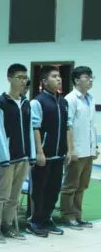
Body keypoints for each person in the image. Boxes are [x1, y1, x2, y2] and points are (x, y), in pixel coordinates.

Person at [0, 64, 34, 243]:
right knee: (1, 195)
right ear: (9, 79)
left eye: (25, 78)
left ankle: (7, 226)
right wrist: (4, 157)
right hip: (7, 159)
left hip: (23, 157)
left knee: (14, 196)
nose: (23, 81)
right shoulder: (0, 103)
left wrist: (31, 154)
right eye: (19, 77)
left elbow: (29, 129)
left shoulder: (26, 103)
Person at [28, 66, 70, 237]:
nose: (58, 79)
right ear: (44, 81)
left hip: (58, 155)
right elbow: (35, 128)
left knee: (53, 190)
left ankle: (46, 219)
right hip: (43, 156)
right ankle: (34, 221)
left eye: (59, 76)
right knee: (39, 190)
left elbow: (67, 127)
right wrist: (39, 152)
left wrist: (68, 149)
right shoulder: (37, 102)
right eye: (54, 76)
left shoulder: (63, 102)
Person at [60, 66, 97, 229]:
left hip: (88, 150)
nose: (90, 80)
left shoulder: (90, 98)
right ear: (76, 80)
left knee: (82, 186)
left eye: (91, 77)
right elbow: (67, 126)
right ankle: (67, 216)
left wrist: (94, 147)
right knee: (70, 185)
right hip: (76, 150)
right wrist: (71, 149)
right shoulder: (71, 99)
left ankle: (77, 215)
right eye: (86, 77)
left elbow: (92, 126)